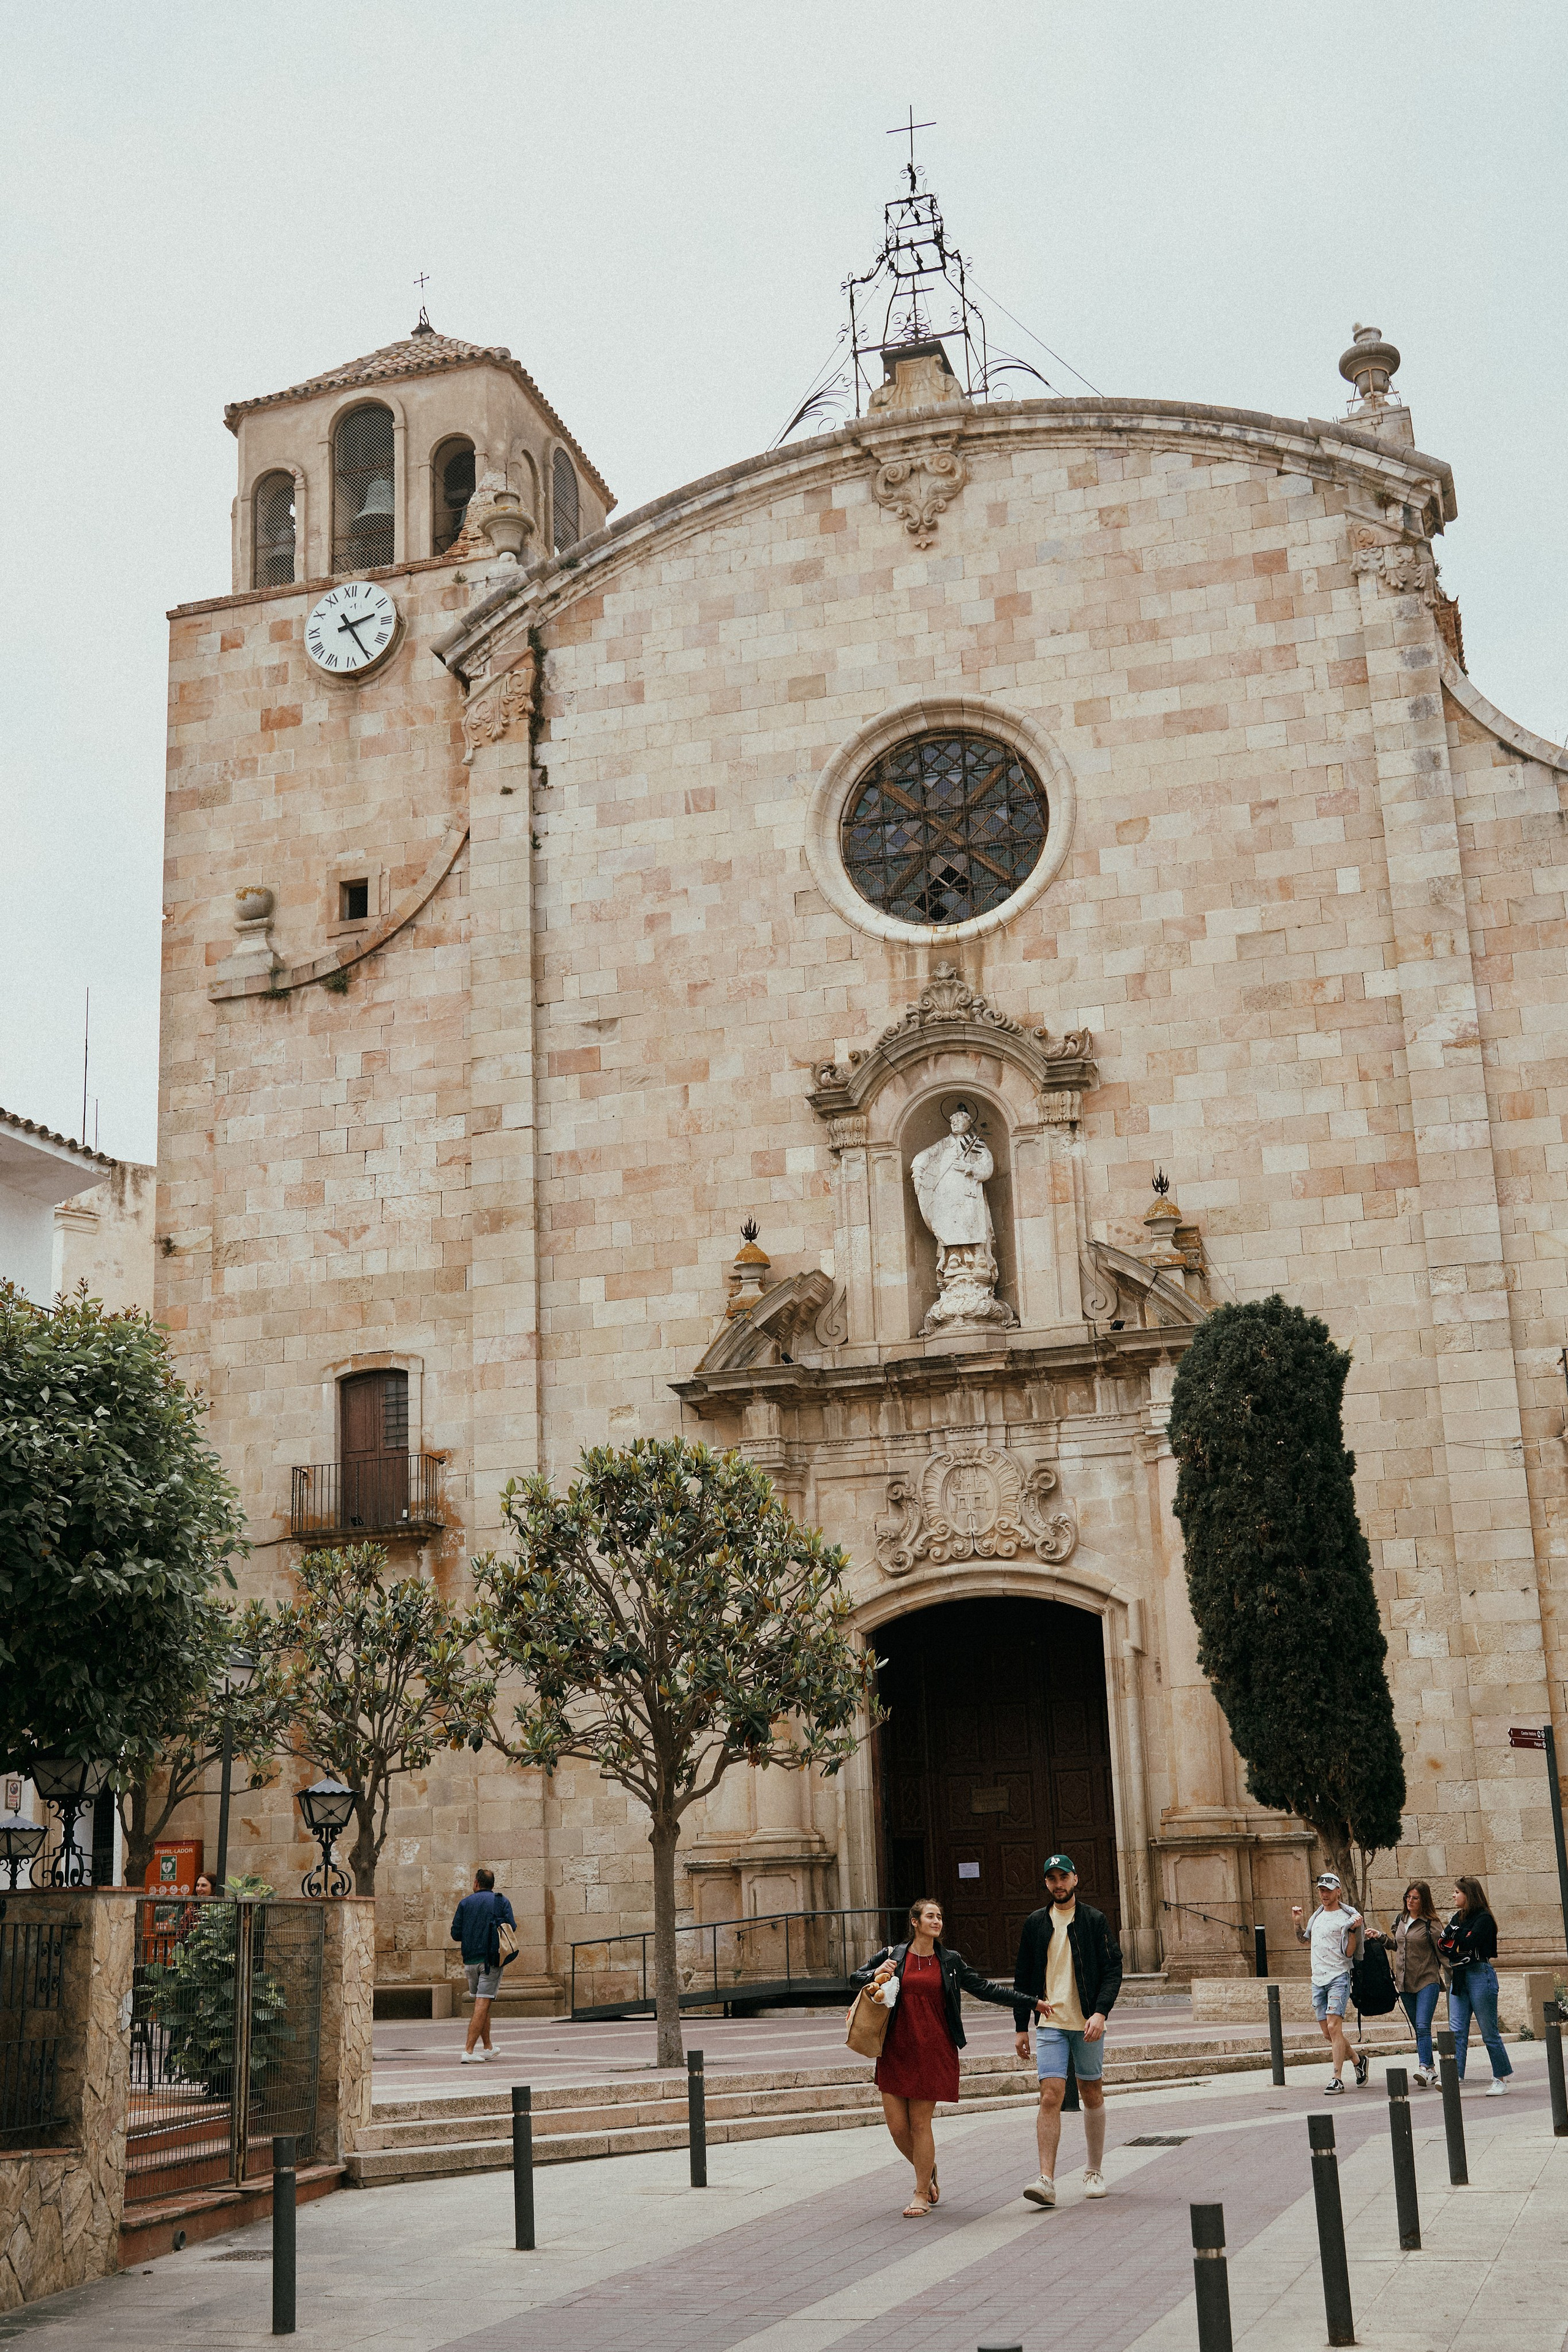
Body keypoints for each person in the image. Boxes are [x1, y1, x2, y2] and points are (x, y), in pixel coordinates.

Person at [852, 1896, 1029, 2217]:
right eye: (930, 1916)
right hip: (895, 2049)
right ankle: (928, 2167)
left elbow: (985, 1989)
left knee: (920, 2124)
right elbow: (854, 1979)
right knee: (897, 2128)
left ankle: (921, 2193)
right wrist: (876, 1972)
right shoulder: (894, 1955)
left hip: (933, 2049)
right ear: (915, 1922)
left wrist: (1030, 2001)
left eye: (939, 1917)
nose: (937, 1921)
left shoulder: (950, 1961)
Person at [1011, 1853, 1123, 2206]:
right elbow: (1023, 1976)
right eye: (1052, 1879)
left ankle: (1094, 2170)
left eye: (1063, 1877)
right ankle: (1046, 2179)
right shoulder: (1035, 1923)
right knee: (1050, 2094)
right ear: (1046, 1883)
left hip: (1087, 2022)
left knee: (1091, 2092)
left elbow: (1113, 1969)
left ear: (1075, 1879)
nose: (1058, 1884)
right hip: (1050, 2021)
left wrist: (1101, 2013)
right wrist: (1021, 2026)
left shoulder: (1094, 1920)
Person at [1292, 1871, 1366, 2094]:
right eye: (1321, 1891)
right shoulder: (1317, 1917)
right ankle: (1358, 2060)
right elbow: (1303, 1941)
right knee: (1328, 2034)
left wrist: (1352, 1930)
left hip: (1339, 1977)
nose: (1324, 1895)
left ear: (1338, 1891)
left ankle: (1337, 2078)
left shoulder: (1347, 1918)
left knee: (1334, 2027)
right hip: (1318, 1980)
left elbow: (1350, 1952)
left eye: (1328, 1891)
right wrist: (1297, 1922)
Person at [1439, 1875, 1512, 2094]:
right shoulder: (1458, 1917)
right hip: (1460, 1975)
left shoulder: (1484, 1918)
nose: (1453, 1896)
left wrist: (1456, 1935)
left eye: (1457, 1892)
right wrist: (1459, 1936)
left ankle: (1500, 2078)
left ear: (1468, 1894)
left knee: (1489, 2031)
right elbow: (1443, 1943)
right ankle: (1454, 2076)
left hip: (1480, 1974)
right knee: (1457, 2030)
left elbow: (1471, 1941)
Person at [1378, 1881, 1443, 2087]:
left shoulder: (1431, 1924)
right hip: (1404, 1983)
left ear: (1424, 1901)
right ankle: (1431, 2069)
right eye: (1408, 1897)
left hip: (1427, 1980)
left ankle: (1423, 2067)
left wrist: (1456, 1978)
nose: (1410, 1901)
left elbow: (1443, 1953)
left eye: (1415, 1898)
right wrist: (1381, 1938)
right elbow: (1397, 1945)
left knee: (1423, 2025)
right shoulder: (1401, 1920)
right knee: (1418, 2027)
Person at [450, 1866, 514, 2064]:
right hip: (490, 1961)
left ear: (476, 1883)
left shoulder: (465, 1903)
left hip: (470, 1962)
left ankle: (488, 2047)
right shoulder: (501, 1901)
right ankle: (468, 2051)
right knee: (482, 2004)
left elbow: (455, 1934)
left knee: (481, 2002)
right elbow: (511, 1927)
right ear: (492, 1885)